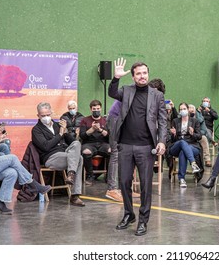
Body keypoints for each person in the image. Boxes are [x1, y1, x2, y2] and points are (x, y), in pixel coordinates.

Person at [108, 58, 167, 236]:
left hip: (146, 147)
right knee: (124, 182)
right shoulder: (126, 91)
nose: (142, 76)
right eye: (138, 73)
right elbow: (112, 93)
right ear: (133, 77)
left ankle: (143, 220)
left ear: (147, 74)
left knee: (145, 186)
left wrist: (162, 140)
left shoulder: (157, 95)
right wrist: (115, 78)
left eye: (144, 73)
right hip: (125, 145)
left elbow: (163, 120)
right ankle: (128, 214)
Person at [31, 102, 85, 207]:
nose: (46, 117)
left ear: (51, 113)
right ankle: (75, 195)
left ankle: (71, 174)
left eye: (47, 114)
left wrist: (65, 132)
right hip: (51, 157)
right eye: (43, 115)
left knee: (77, 143)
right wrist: (60, 134)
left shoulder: (58, 125)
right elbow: (45, 146)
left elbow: (72, 142)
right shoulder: (36, 130)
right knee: (80, 159)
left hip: (65, 154)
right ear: (38, 115)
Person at [168, 102, 202, 188]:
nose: (182, 111)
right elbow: (172, 140)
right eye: (181, 109)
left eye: (184, 109)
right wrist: (173, 134)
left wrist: (192, 133)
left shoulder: (195, 121)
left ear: (188, 110)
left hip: (192, 145)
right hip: (177, 145)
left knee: (183, 152)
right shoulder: (175, 121)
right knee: (182, 142)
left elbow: (199, 137)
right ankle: (193, 163)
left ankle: (182, 179)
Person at [79, 99, 110, 183]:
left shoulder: (105, 120)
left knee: (111, 151)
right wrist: (92, 129)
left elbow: (109, 136)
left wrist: (100, 129)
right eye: (94, 109)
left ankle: (109, 176)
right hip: (89, 144)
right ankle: (90, 176)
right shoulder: (85, 120)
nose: (96, 111)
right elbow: (82, 136)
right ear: (91, 109)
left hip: (103, 143)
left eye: (98, 109)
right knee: (86, 152)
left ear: (100, 109)